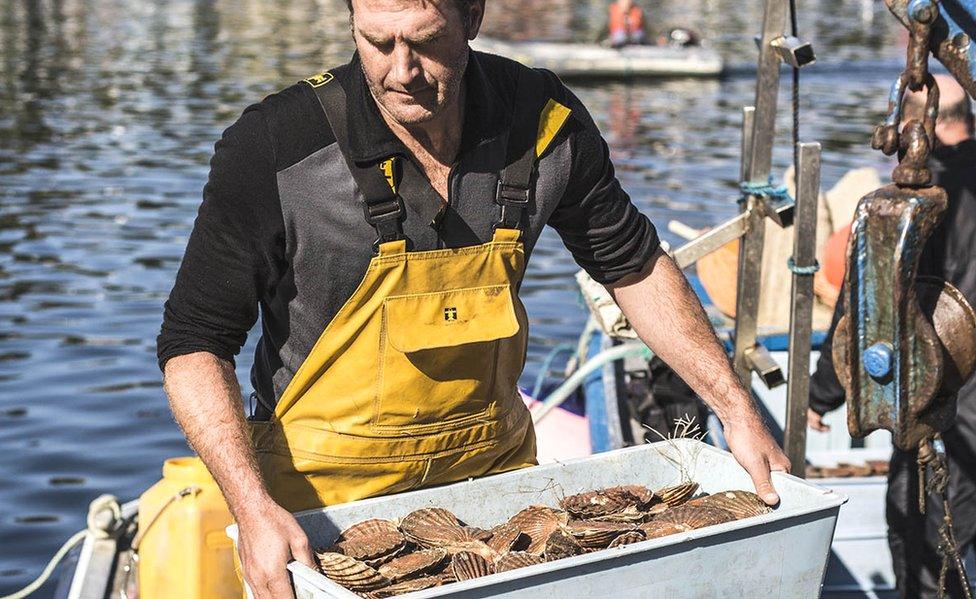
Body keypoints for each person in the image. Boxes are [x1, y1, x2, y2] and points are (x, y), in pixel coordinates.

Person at [156, 1, 789, 596]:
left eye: (426, 44)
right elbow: (194, 343)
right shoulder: (273, 143)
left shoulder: (544, 121)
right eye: (376, 43)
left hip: (501, 502)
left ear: (474, 17)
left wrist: (735, 408)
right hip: (322, 514)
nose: (400, 71)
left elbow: (634, 267)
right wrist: (252, 506)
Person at [808, 75, 976, 598]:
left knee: (924, 543)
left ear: (912, 128)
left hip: (935, 392)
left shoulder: (905, 206)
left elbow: (865, 309)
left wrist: (822, 394)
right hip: (952, 398)